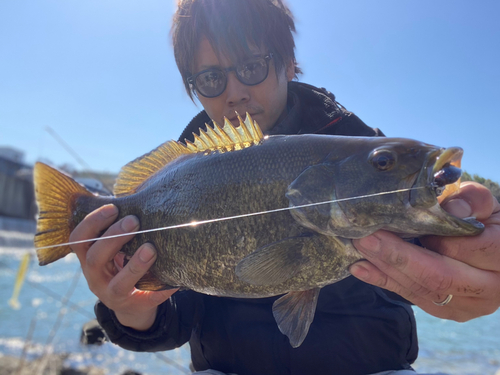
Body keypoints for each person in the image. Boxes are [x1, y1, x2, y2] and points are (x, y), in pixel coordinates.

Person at [69, 1, 500, 374]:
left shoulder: (368, 164)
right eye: (211, 79)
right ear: (194, 89)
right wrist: (129, 309)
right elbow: (177, 317)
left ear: (289, 63)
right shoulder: (185, 172)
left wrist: (471, 267)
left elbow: (440, 235)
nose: (235, 93)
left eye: (253, 67)